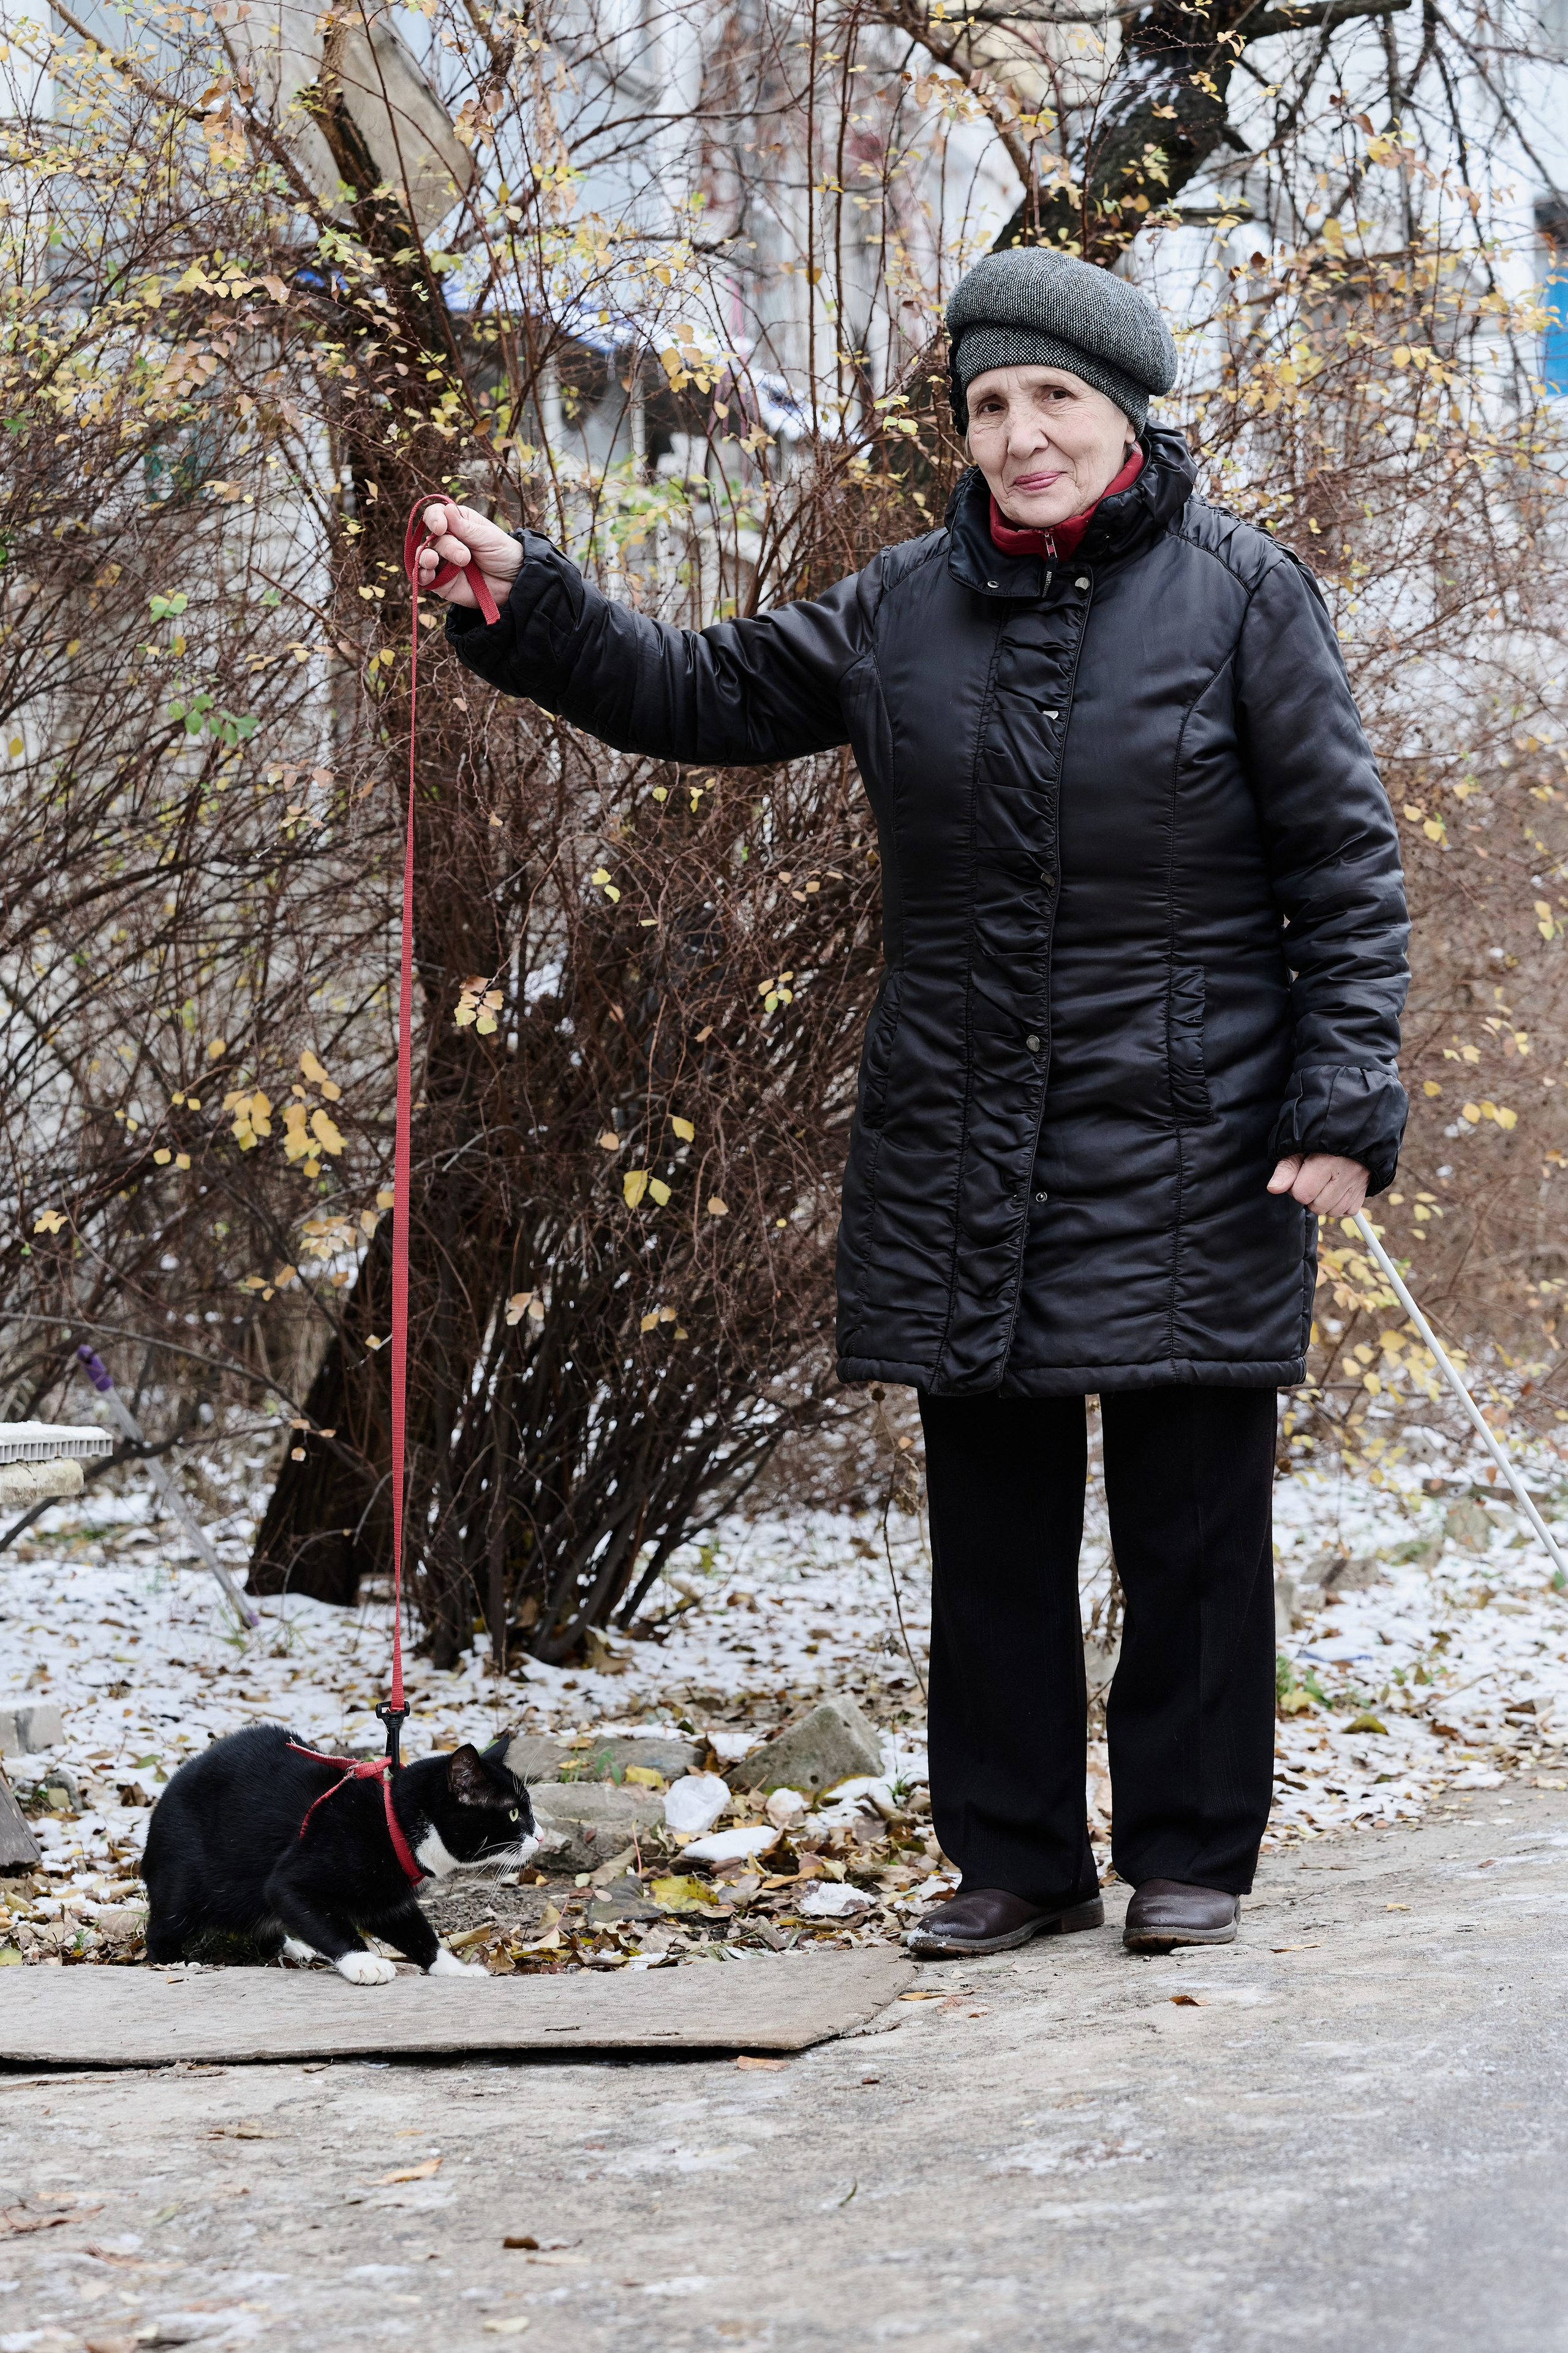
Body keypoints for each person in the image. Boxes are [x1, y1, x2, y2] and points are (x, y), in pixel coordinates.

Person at [415, 246, 1409, 1958]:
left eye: (1055, 401)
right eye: (991, 405)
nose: (1022, 437)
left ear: (1124, 413)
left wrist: (1342, 1097)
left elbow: (1344, 865)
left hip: (1203, 1138)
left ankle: (1191, 1851)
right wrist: (530, 597)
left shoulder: (1247, 596)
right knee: (994, 1533)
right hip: (963, 1141)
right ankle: (1017, 1859)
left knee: (1190, 1525)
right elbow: (697, 688)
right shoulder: (897, 607)